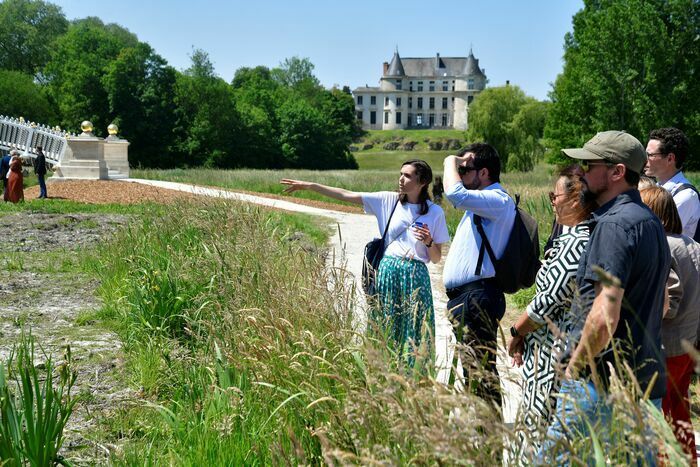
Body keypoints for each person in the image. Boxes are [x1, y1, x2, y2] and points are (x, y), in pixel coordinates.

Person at [540, 131, 671, 463]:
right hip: (643, 387)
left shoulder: (613, 226)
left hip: (599, 386)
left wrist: (576, 367)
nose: (581, 173)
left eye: (589, 164)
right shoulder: (650, 223)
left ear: (617, 171)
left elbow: (604, 316)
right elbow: (664, 304)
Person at [281, 159, 450, 366]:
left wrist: (429, 241)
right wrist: (310, 186)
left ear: (422, 181)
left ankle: (414, 375)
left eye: (407, 175)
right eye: (400, 173)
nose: (400, 179)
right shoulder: (388, 200)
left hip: (416, 276)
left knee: (415, 327)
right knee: (386, 322)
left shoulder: (435, 213)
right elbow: (346, 194)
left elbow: (436, 258)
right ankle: (381, 370)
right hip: (388, 271)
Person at [507, 165, 596, 455]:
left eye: (554, 195)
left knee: (538, 429)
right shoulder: (580, 237)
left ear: (574, 198)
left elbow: (545, 304)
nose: (552, 201)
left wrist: (515, 331)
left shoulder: (577, 243)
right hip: (547, 350)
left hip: (551, 353)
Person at [442, 143, 516, 408]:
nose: (459, 173)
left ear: (483, 172)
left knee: (480, 375)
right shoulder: (483, 205)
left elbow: (454, 194)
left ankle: (490, 441)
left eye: (466, 168)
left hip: (478, 298)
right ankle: (485, 437)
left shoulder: (498, 200)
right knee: (474, 373)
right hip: (469, 299)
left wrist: (450, 158)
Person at [640, 186, 700, 462]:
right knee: (679, 409)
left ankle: (662, 462)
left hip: (667, 346)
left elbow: (670, 300)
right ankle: (688, 460)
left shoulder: (664, 245)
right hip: (689, 344)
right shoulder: (692, 244)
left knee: (659, 414)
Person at [645, 127, 700, 239]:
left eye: (649, 155)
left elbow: (658, 238)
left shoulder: (686, 196)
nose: (644, 159)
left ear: (670, 158)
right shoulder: (656, 187)